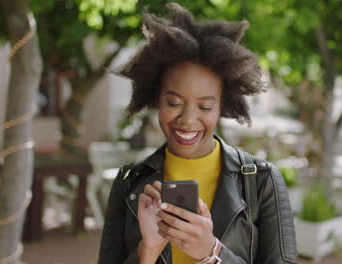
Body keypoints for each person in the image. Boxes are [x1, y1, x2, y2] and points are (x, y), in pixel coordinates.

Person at [98, 3, 297, 264]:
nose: (187, 120)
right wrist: (148, 250)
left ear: (222, 106)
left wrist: (212, 253)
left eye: (205, 106)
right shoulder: (129, 182)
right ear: (157, 98)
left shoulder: (261, 182)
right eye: (174, 103)